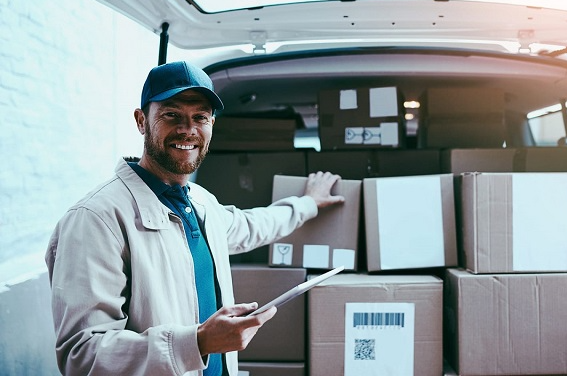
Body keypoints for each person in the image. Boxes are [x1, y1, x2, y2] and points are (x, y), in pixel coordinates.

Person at [45, 61, 344, 376]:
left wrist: (309, 203)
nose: (187, 130)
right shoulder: (96, 219)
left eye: (200, 117)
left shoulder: (200, 201)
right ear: (141, 121)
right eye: (171, 114)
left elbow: (251, 226)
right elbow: (82, 356)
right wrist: (198, 342)